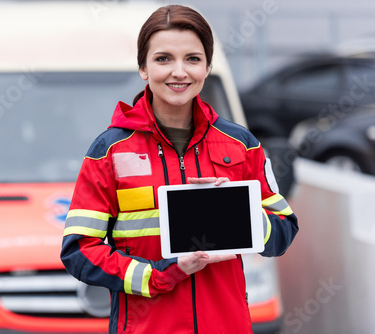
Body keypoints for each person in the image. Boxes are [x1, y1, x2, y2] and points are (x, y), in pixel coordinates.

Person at [61, 4, 298, 333]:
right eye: (163, 59)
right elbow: (79, 251)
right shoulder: (109, 152)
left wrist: (236, 213)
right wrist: (159, 274)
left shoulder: (242, 145)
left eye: (192, 59)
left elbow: (283, 230)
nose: (179, 72)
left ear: (207, 66)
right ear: (143, 67)